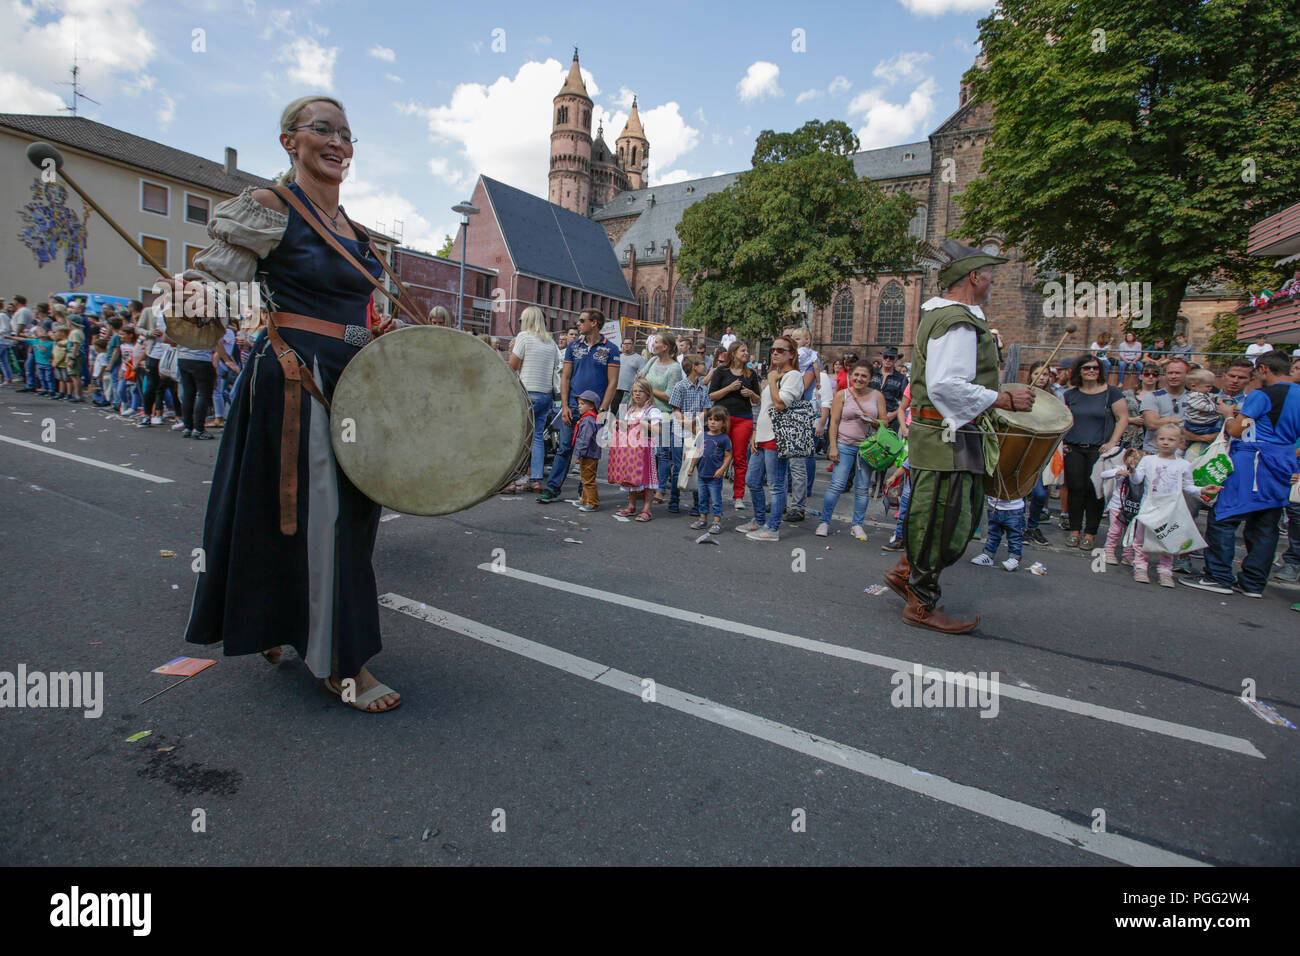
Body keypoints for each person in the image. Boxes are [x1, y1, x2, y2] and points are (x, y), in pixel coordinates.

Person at [181, 94, 413, 712]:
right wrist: (191, 301)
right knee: (315, 515)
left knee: (349, 521)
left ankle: (276, 622)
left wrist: (379, 333)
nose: (338, 143)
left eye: (346, 134)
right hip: (294, 377)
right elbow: (213, 288)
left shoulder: (355, 233)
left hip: (354, 380)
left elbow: (364, 312)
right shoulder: (267, 207)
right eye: (323, 130)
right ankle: (345, 666)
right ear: (290, 141)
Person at [881, 239, 1035, 633]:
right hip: (947, 438)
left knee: (945, 519)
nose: (992, 282)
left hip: (946, 436)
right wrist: (1002, 398)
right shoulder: (958, 321)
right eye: (989, 276)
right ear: (974, 276)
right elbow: (948, 385)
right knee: (943, 523)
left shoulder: (949, 316)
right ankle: (920, 604)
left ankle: (905, 573)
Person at [1184, 352, 1300, 597]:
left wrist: (1228, 415)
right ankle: (1253, 583)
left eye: (1257, 371)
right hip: (1284, 461)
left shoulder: (1261, 395)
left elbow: (1238, 430)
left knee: (1223, 518)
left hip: (1253, 462)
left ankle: (1218, 576)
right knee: (1265, 525)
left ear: (1264, 369)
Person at [537, 308, 619, 504]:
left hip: (594, 411)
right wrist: (564, 405)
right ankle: (552, 488)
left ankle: (585, 491)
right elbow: (565, 377)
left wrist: (603, 409)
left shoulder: (611, 349)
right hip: (573, 406)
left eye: (582, 321)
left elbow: (613, 383)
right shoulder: (574, 347)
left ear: (594, 323)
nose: (578, 324)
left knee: (589, 452)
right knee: (564, 448)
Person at [1129, 425, 1219, 587]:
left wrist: (1202, 490)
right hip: (1149, 506)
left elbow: (1188, 487)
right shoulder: (1148, 460)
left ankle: (1165, 570)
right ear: (1156, 440)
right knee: (1141, 538)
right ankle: (1140, 565)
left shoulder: (1183, 465)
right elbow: (1137, 480)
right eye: (1162, 439)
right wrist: (1133, 470)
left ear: (1180, 442)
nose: (1166, 443)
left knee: (1168, 540)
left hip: (1171, 508)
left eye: (1171, 439)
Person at [737, 335, 803, 541]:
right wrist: (756, 433)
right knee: (752, 480)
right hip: (763, 435)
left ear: (791, 354)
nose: (774, 352)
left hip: (778, 437)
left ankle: (772, 528)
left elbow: (780, 404)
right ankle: (758, 520)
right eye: (773, 349)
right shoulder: (775, 374)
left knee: (776, 485)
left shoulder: (793, 376)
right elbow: (765, 408)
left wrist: (773, 381)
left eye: (781, 350)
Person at [1060, 356, 1128, 549]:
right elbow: (1063, 420)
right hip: (1074, 447)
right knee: (1075, 489)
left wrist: (1112, 442)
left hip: (1099, 449)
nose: (1092, 371)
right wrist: (1062, 441)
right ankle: (1074, 531)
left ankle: (1090, 533)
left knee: (1094, 491)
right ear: (1079, 371)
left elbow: (1122, 418)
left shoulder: (1111, 393)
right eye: (1087, 368)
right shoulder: (1070, 394)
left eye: (1096, 368)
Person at [816, 360, 884, 540]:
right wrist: (833, 446)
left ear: (870, 378)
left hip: (867, 448)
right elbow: (834, 423)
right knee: (837, 485)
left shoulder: (877, 396)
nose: (859, 379)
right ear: (851, 376)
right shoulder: (842, 395)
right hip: (844, 445)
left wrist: (873, 421)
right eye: (856, 375)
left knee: (862, 489)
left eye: (864, 376)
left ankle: (857, 524)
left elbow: (884, 422)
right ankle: (824, 521)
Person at [507, 306, 559, 494]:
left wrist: (511, 350)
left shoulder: (524, 337)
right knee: (537, 437)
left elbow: (513, 366)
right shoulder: (550, 342)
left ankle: (511, 480)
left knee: (517, 436)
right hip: (545, 394)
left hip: (526, 392)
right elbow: (556, 366)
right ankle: (535, 478)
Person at [709, 341, 762, 510]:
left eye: (747, 350)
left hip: (743, 418)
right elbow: (712, 395)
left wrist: (751, 393)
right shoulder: (721, 371)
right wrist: (729, 388)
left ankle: (738, 496)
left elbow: (757, 399)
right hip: (722, 418)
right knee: (717, 455)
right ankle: (713, 491)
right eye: (743, 350)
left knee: (740, 458)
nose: (746, 353)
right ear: (733, 353)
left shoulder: (750, 373)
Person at [641, 332, 684, 508]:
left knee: (662, 454)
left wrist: (648, 389)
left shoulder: (674, 368)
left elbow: (670, 395)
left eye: (657, 342)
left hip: (664, 415)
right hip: (647, 413)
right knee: (646, 452)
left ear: (665, 347)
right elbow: (640, 379)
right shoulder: (651, 361)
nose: (653, 344)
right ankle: (645, 487)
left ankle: (660, 489)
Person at [609, 378, 661, 520]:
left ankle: (647, 509)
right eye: (635, 391)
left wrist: (645, 424)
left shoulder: (653, 411)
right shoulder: (630, 410)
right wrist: (621, 424)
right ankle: (631, 506)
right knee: (631, 477)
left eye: (641, 391)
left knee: (648, 479)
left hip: (646, 449)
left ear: (648, 394)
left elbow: (659, 430)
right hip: (631, 449)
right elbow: (628, 429)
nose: (637, 394)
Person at [669, 355, 712, 516]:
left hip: (697, 432)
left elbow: (705, 410)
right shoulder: (680, 386)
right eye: (702, 364)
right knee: (679, 467)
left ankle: (698, 503)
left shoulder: (703, 388)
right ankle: (674, 500)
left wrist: (697, 422)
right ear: (694, 366)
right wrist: (689, 424)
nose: (705, 366)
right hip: (681, 432)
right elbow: (676, 410)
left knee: (696, 467)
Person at [1024, 361, 1055, 545]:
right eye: (1038, 373)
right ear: (1031, 375)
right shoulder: (1023, 393)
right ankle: (1018, 528)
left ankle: (1033, 526)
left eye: (1045, 374)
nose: (1042, 377)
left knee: (1040, 494)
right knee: (1019, 492)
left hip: (1044, 449)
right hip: (1025, 447)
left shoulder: (1055, 397)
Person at [687, 407, 732, 534]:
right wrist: (691, 467)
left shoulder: (724, 439)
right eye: (710, 419)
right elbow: (697, 452)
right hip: (702, 474)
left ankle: (716, 522)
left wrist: (722, 470)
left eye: (717, 420)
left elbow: (728, 456)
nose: (712, 422)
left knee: (716, 500)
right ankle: (702, 519)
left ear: (723, 423)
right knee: (702, 498)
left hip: (715, 476)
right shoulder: (702, 435)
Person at [1099, 448, 1146, 566]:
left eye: (1136, 457)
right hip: (1117, 505)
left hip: (1133, 507)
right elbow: (1103, 474)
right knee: (1115, 531)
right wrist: (1117, 473)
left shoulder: (1141, 474)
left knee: (1131, 533)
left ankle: (1128, 555)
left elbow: (1137, 481)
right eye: (1131, 456)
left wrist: (1134, 471)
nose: (1133, 459)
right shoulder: (1121, 469)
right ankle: (1108, 551)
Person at [1139, 357, 1189, 453]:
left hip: (1183, 454)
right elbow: (1152, 424)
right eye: (1170, 373)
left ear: (1186, 375)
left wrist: (1164, 420)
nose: (1173, 376)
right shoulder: (1153, 396)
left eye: (1177, 373)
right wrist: (1182, 421)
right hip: (1153, 452)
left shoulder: (1194, 398)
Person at [969, 493, 1026, 571]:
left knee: (1014, 536)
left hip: (1014, 508)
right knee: (993, 534)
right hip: (994, 506)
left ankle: (1015, 558)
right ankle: (988, 554)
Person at [572, 389, 603, 512]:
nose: (579, 406)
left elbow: (585, 439)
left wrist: (579, 454)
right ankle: (585, 500)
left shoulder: (588, 420)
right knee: (585, 478)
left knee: (588, 480)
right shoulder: (589, 418)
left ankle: (592, 503)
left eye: (582, 404)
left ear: (591, 406)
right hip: (590, 453)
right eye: (579, 403)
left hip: (588, 454)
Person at [1180, 368, 1223, 456]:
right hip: (1198, 425)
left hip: (1202, 422)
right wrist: (1218, 406)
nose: (1211, 389)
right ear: (1193, 386)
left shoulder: (1202, 394)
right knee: (1220, 422)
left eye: (1211, 386)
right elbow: (1205, 407)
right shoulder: (1193, 397)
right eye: (1208, 386)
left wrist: (1216, 398)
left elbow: (1211, 397)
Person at [612, 335, 645, 418]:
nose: (626, 345)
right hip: (616, 389)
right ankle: (611, 429)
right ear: (622, 345)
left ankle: (621, 430)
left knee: (622, 414)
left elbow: (642, 375)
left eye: (629, 343)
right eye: (624, 343)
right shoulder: (618, 357)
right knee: (613, 411)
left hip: (628, 391)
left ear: (633, 345)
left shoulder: (639, 359)